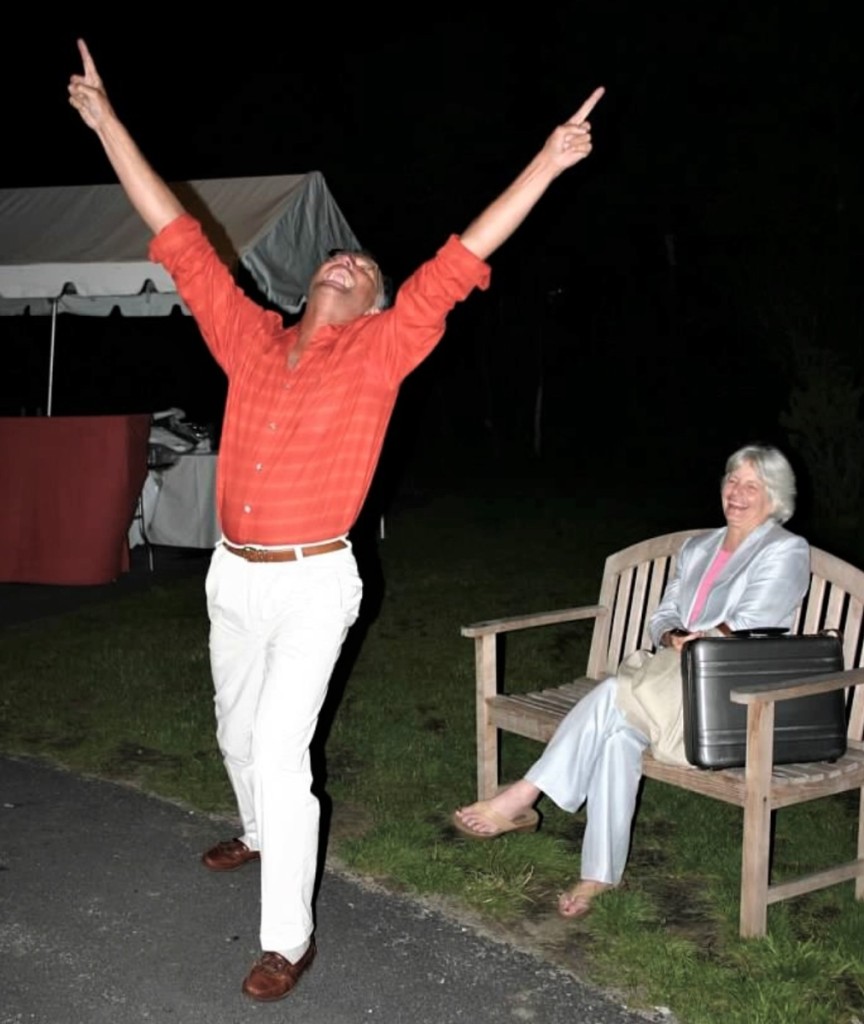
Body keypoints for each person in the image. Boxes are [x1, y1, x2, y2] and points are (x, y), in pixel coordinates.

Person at [68, 39, 605, 1001]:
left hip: (317, 579)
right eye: (337, 257)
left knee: (281, 750)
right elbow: (178, 235)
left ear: (373, 308)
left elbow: (465, 255)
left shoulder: (381, 352)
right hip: (233, 572)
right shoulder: (248, 339)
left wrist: (549, 161)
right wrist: (108, 121)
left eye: (361, 267)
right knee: (236, 738)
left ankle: (287, 937)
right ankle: (260, 830)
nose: (345, 259)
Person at [452, 443, 810, 920]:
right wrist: (671, 632)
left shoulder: (785, 549)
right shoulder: (700, 546)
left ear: (775, 497)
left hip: (730, 703)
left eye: (752, 485)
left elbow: (754, 621)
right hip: (672, 685)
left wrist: (699, 637)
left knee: (610, 695)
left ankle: (523, 795)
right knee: (617, 735)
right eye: (732, 480)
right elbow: (663, 613)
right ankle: (598, 875)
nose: (737, 493)